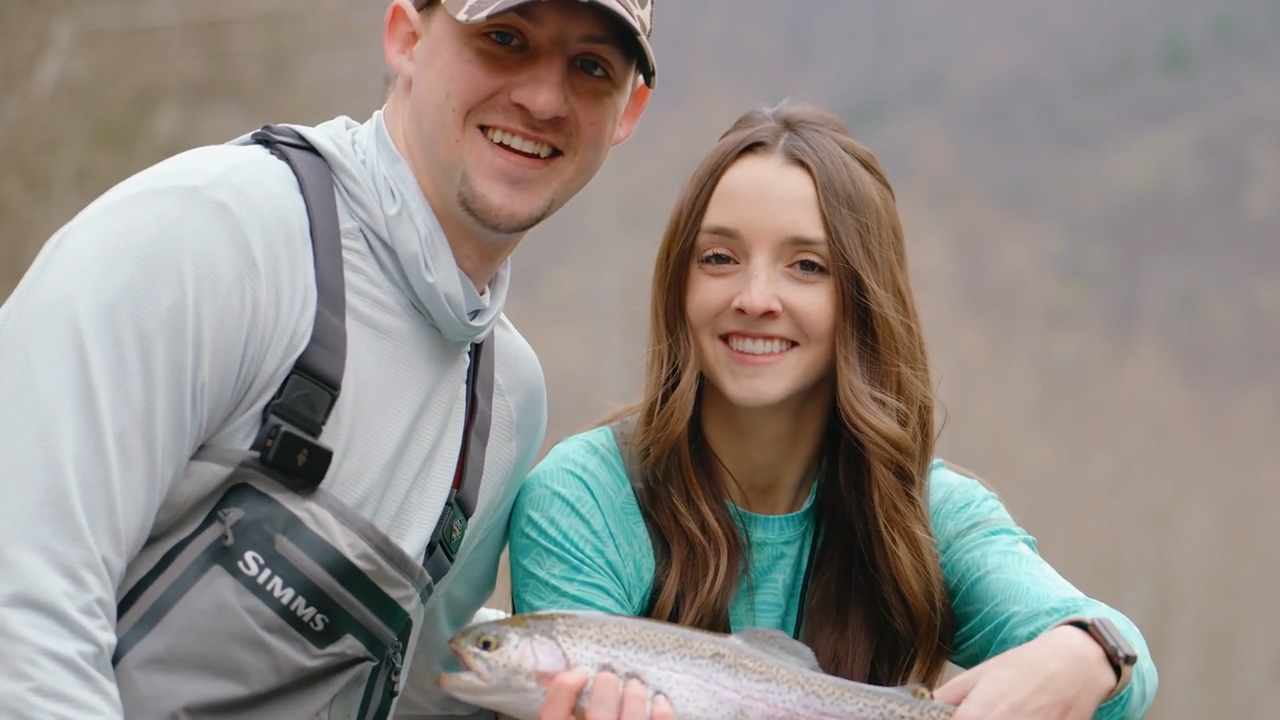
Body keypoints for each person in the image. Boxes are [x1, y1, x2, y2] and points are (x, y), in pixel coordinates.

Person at [0, 0, 654, 718]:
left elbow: (425, 690)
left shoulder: (506, 402)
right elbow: (24, 615)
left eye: (591, 67)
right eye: (504, 38)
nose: (542, 98)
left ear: (629, 113)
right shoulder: (210, 237)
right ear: (405, 35)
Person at [507, 101, 1159, 720]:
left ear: (862, 300)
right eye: (720, 258)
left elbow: (1124, 670)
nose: (756, 296)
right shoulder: (584, 499)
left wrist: (1086, 651)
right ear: (681, 284)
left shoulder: (927, 513)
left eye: (807, 266)